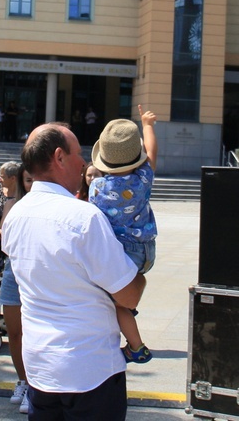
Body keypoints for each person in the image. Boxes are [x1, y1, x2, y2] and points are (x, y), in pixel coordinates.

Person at [2, 122, 145, 420]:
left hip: (40, 368)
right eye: (78, 153)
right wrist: (140, 270)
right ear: (59, 157)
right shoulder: (84, 218)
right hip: (90, 369)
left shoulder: (15, 215)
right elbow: (129, 295)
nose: (84, 163)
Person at [89, 105, 157, 364]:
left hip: (119, 252)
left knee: (117, 306)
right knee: (121, 302)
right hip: (145, 251)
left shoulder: (97, 187)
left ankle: (136, 347)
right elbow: (152, 153)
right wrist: (147, 125)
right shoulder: (143, 179)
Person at [0, 164, 34, 414]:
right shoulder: (14, 204)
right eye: (27, 181)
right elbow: (5, 242)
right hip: (14, 268)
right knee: (14, 332)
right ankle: (22, 380)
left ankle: (35, 387)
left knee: (34, 331)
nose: (31, 184)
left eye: (34, 179)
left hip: (37, 270)